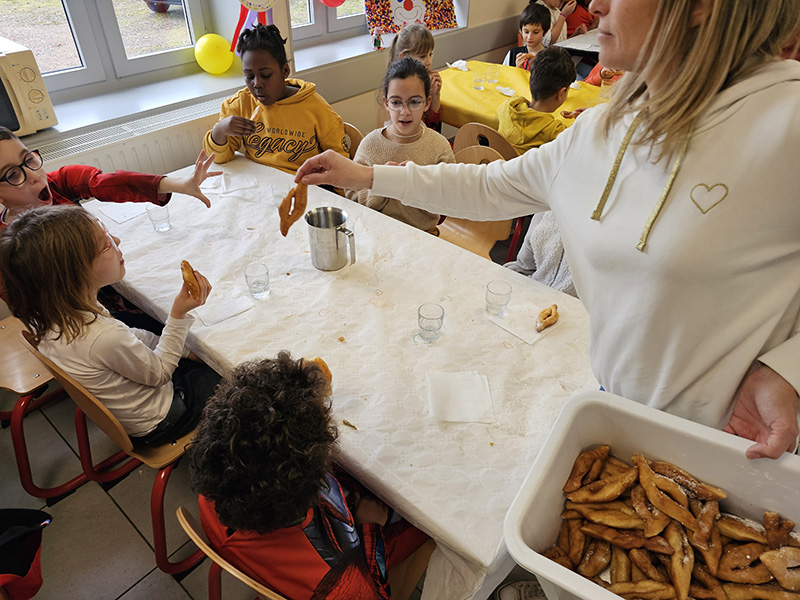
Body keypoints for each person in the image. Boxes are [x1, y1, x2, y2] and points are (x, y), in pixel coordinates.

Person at [294, 0, 800, 461]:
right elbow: (487, 185)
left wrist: (787, 370)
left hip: (737, 447)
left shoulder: (786, 122)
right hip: (615, 419)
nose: (595, 4)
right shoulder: (603, 129)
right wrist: (366, 174)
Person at [188, 352, 431, 600]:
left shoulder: (214, 488)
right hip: (355, 546)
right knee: (432, 524)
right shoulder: (342, 587)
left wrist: (303, 393)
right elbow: (371, 592)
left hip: (265, 559)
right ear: (317, 480)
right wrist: (372, 527)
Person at [0, 205, 221, 446]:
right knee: (229, 369)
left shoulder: (56, 312)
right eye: (106, 244)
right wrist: (178, 314)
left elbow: (131, 336)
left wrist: (186, 351)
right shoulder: (101, 336)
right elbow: (159, 373)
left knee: (156, 331)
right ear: (75, 274)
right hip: (165, 417)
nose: (116, 240)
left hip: (135, 397)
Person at [0, 126, 219, 231]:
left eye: (28, 160)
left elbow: (114, 183)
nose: (34, 176)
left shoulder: (59, 183)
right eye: (12, 175)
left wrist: (181, 184)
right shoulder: (8, 245)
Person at [203, 24, 348, 174]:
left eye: (266, 75)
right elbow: (219, 158)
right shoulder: (240, 104)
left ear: (284, 71)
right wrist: (220, 130)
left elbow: (340, 165)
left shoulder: (317, 109)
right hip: (259, 186)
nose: (257, 84)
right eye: (249, 76)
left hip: (304, 188)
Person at [349, 58, 454, 234]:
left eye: (414, 102)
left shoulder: (439, 146)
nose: (404, 112)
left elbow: (450, 199)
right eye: (396, 102)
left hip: (424, 235)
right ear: (386, 102)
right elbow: (352, 198)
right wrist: (383, 180)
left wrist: (417, 182)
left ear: (427, 103)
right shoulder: (370, 145)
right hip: (375, 232)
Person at [497, 46, 577, 154]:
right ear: (561, 93)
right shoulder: (555, 131)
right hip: (527, 171)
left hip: (500, 166)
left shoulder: (507, 107)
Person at [386, 24, 443, 132]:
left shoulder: (423, 80)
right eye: (422, 56)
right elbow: (411, 127)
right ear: (403, 57)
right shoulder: (397, 87)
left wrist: (435, 95)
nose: (429, 61)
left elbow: (432, 124)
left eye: (430, 54)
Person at [502, 2, 552, 71]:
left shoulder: (550, 58)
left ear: (545, 32)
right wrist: (517, 71)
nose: (529, 37)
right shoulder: (512, 54)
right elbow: (503, 77)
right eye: (526, 32)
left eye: (535, 32)